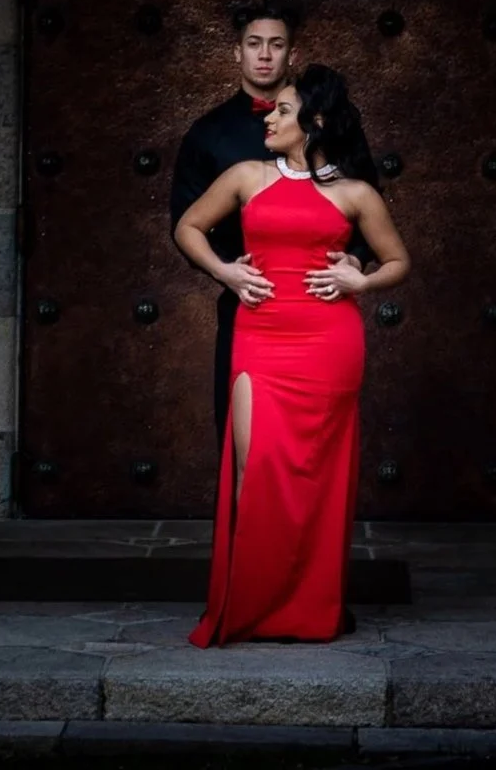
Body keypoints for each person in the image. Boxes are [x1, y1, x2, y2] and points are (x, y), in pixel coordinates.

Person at [175, 64, 413, 646]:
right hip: (259, 336)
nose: (270, 117)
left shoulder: (355, 193)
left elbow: (398, 262)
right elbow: (188, 226)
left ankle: (308, 608)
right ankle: (253, 603)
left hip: (328, 342)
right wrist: (227, 272)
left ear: (315, 121)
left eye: (282, 110)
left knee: (316, 480)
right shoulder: (247, 176)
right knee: (256, 473)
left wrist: (360, 282)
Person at [169, 0, 300, 447]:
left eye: (276, 44)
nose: (265, 54)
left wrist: (352, 266)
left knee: (307, 436)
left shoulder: (329, 126)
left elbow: (365, 204)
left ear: (292, 55)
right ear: (237, 53)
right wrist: (227, 272)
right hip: (248, 301)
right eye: (254, 43)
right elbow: (184, 224)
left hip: (318, 302)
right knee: (243, 434)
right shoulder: (208, 133)